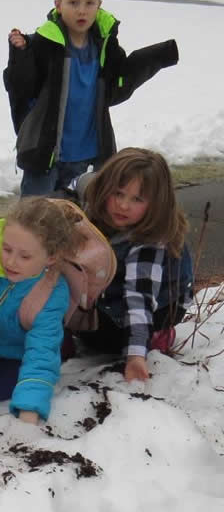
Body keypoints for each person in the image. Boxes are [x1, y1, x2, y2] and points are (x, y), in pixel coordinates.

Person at [4, 0, 179, 196]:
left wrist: (160, 55)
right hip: (46, 155)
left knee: (80, 220)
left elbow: (118, 85)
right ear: (58, 4)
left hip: (87, 155)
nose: (81, 11)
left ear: (99, 6)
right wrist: (21, 54)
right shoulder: (42, 44)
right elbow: (21, 87)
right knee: (35, 221)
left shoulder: (104, 45)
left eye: (89, 3)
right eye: (73, 3)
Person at [0, 198, 82, 424]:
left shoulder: (50, 293)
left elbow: (40, 356)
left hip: (18, 354)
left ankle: (64, 343)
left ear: (51, 257)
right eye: (6, 249)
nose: (10, 261)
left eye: (25, 256)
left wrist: (30, 409)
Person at [76, 148, 193, 381]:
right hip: (112, 287)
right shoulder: (97, 201)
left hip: (155, 304)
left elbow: (139, 298)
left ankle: (155, 334)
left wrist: (136, 354)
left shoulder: (149, 241)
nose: (123, 206)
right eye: (118, 193)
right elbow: (81, 182)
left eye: (137, 199)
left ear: (155, 204)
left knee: (101, 340)